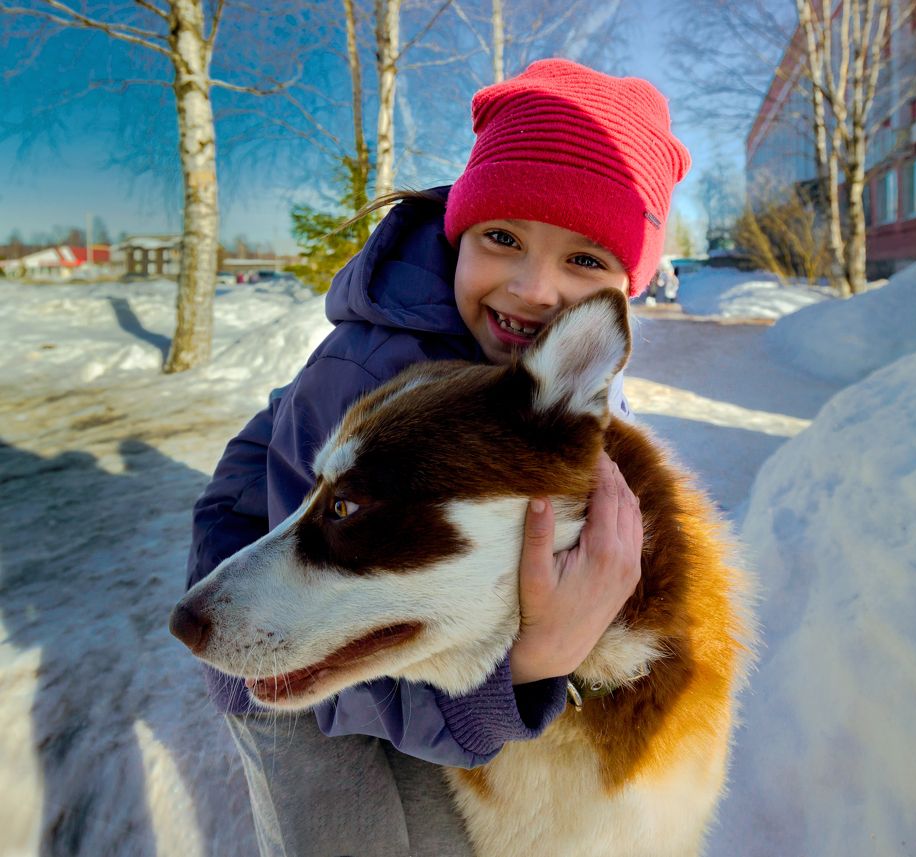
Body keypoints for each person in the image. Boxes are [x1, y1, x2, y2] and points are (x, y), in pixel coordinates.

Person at [184, 58, 690, 857]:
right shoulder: (360, 378)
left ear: (631, 286)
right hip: (277, 622)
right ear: (459, 232)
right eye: (501, 238)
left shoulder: (556, 372)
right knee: (353, 833)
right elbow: (317, 580)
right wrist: (530, 669)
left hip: (402, 611)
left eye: (585, 259)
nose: (532, 287)